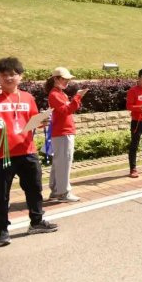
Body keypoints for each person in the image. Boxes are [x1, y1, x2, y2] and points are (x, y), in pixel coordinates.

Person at [0, 57, 58, 247]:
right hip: (3, 155)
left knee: (34, 188)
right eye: (4, 75)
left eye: (13, 74)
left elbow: (33, 120)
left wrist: (42, 121)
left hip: (27, 151)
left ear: (20, 77)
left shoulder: (28, 97)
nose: (9, 78)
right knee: (1, 194)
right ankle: (2, 230)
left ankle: (36, 222)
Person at [45, 67, 87, 202]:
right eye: (64, 79)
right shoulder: (55, 94)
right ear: (56, 79)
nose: (67, 81)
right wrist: (78, 97)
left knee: (59, 162)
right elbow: (67, 110)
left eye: (68, 79)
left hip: (62, 132)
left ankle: (56, 191)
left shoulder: (59, 93)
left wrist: (76, 98)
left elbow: (69, 109)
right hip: (63, 132)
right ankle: (63, 193)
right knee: (64, 162)